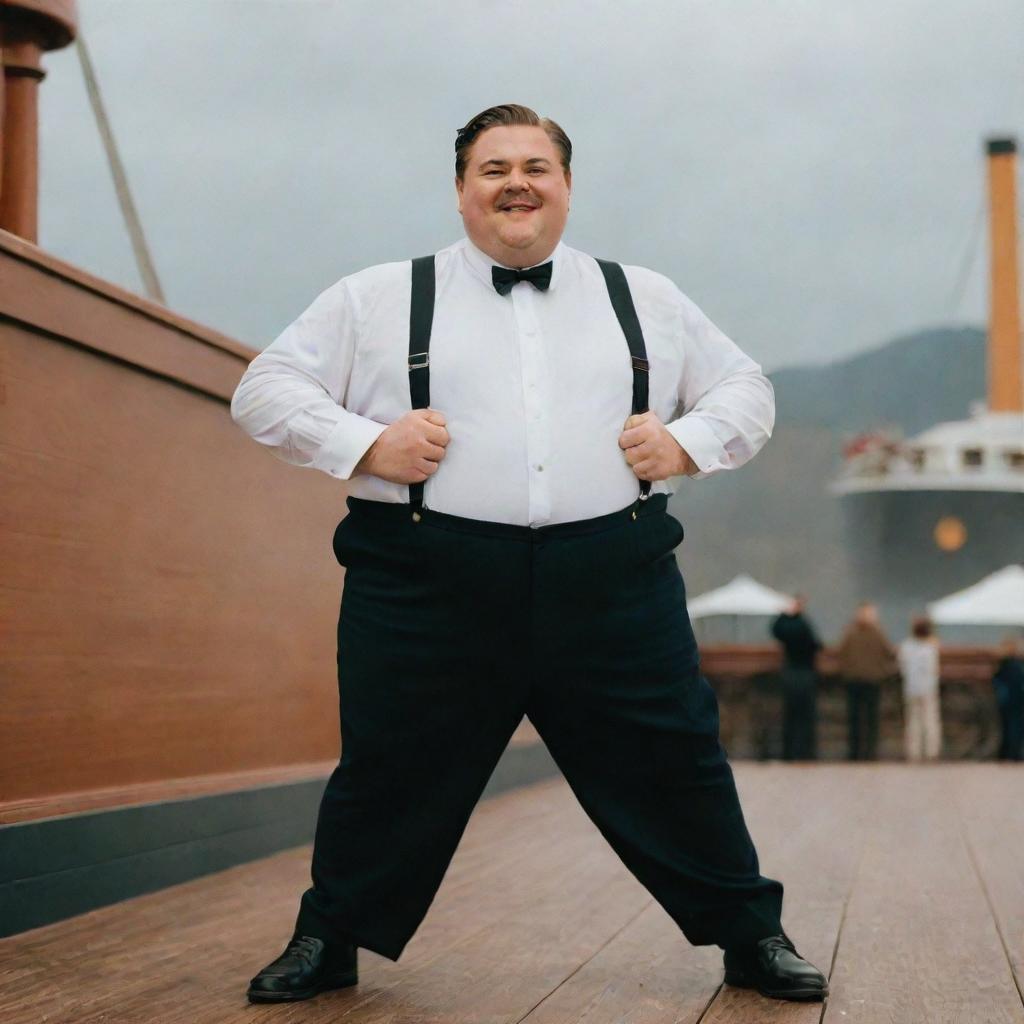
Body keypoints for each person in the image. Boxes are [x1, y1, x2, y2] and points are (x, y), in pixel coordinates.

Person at [230, 103, 827, 1004]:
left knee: (677, 760)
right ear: (462, 191)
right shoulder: (376, 296)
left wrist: (688, 444)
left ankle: (751, 934)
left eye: (536, 167)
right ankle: (332, 938)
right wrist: (364, 444)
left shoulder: (646, 297)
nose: (517, 182)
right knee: (390, 766)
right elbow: (263, 389)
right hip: (425, 580)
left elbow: (746, 388)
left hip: (613, 580)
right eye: (493, 167)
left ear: (567, 186)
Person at [835, 602, 896, 761]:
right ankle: (870, 753)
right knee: (871, 719)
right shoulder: (877, 632)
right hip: (873, 680)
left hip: (853, 680)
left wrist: (846, 670)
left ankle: (854, 753)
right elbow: (889, 652)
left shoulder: (850, 632)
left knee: (854, 719)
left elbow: (841, 652)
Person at [770, 595, 822, 760]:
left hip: (790, 673)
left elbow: (775, 630)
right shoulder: (803, 625)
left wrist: (784, 614)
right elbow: (815, 644)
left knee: (790, 717)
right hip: (805, 674)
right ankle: (804, 753)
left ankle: (789, 753)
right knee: (805, 717)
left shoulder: (787, 625)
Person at [896, 616, 942, 761]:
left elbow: (902, 666)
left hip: (911, 687)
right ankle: (931, 751)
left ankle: (913, 752)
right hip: (928, 687)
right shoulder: (931, 647)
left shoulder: (906, 646)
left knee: (912, 721)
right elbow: (934, 668)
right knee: (930, 720)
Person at [993, 636, 1024, 761]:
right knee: (1015, 728)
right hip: (1016, 701)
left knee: (1007, 727)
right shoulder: (1016, 665)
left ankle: (1006, 753)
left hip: (1005, 701)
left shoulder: (1003, 664)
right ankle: (1013, 753)